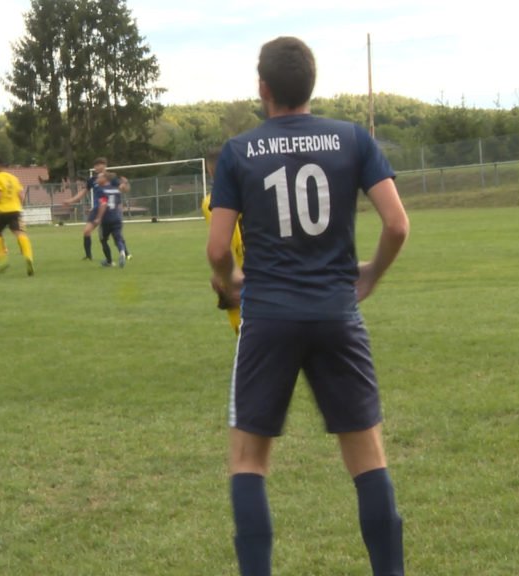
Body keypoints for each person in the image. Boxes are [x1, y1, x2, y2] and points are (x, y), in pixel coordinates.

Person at [207, 37, 409, 576]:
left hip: (268, 316)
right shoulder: (352, 139)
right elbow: (397, 224)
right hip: (337, 313)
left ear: (263, 88)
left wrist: (229, 284)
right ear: (310, 85)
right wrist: (371, 273)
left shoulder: (238, 151)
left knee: (248, 462)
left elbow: (218, 248)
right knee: (367, 458)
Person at [202, 148, 244, 335]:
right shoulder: (257, 190)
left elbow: (224, 243)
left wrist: (223, 274)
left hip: (240, 277)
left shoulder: (212, 201)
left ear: (210, 171)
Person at [62, 157, 132, 261]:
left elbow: (123, 188)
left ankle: (126, 254)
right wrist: (71, 200)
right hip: (96, 210)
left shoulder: (111, 178)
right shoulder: (92, 180)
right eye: (95, 165)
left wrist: (125, 184)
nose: (97, 167)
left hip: (109, 211)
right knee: (87, 231)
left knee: (116, 234)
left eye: (99, 164)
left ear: (104, 165)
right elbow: (83, 192)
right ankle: (89, 256)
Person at [0, 155, 35, 276]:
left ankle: (2, 260)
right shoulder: (13, 178)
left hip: (1, 211)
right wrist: (20, 207)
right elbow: (21, 196)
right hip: (15, 210)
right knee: (20, 233)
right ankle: (28, 257)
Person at [92, 171, 128, 268]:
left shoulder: (100, 190)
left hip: (106, 219)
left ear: (105, 179)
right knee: (118, 238)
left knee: (103, 240)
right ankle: (122, 252)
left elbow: (103, 204)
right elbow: (119, 205)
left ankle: (109, 261)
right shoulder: (116, 190)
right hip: (117, 218)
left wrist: (98, 218)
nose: (97, 179)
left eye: (99, 177)